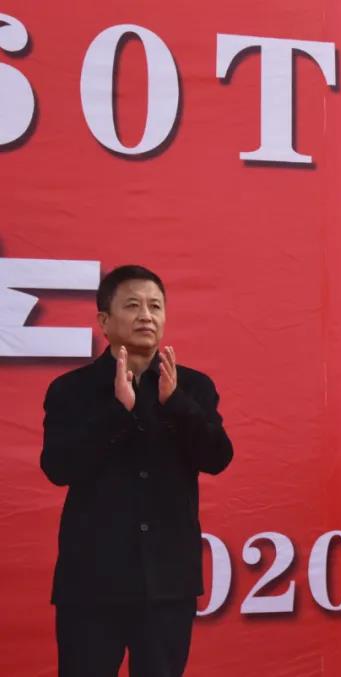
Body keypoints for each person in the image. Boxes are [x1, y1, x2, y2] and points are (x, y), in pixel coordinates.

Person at [40, 265, 233, 676]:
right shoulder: (70, 389)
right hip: (91, 583)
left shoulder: (192, 387)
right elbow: (57, 467)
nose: (146, 315)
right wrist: (117, 411)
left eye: (155, 306)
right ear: (104, 321)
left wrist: (177, 404)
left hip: (168, 582)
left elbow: (217, 457)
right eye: (133, 305)